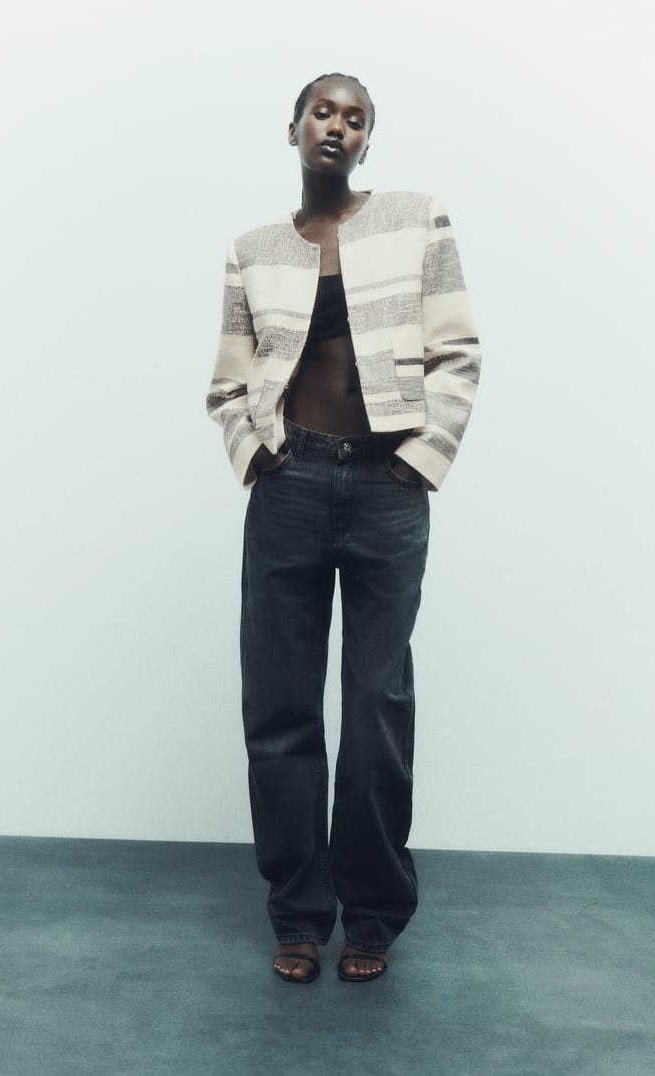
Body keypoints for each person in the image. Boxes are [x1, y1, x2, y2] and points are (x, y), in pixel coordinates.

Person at [206, 73, 480, 983]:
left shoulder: (416, 219)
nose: (338, 126)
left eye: (355, 117)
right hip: (289, 485)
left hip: (386, 488)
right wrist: (257, 454)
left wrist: (420, 458)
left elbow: (458, 352)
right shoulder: (252, 248)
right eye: (323, 110)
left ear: (368, 140)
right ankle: (296, 911)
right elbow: (228, 381)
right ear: (292, 126)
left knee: (376, 706)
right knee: (280, 710)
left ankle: (371, 912)